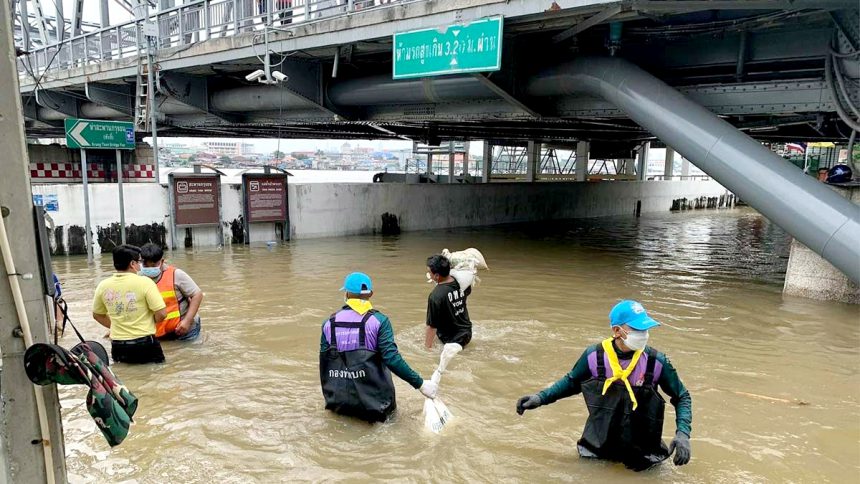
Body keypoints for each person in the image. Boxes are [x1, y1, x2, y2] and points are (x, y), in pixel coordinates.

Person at [516, 300, 692, 471]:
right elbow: (571, 382)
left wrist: (683, 433)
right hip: (596, 449)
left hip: (644, 454)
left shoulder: (656, 362)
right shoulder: (594, 356)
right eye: (638, 329)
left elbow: (682, 396)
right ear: (617, 330)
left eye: (645, 329)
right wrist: (540, 398)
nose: (644, 334)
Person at [320, 272, 437, 422]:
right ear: (371, 294)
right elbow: (392, 359)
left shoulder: (328, 323)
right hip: (375, 407)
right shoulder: (379, 321)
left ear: (347, 294)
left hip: (338, 404)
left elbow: (325, 362)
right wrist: (420, 384)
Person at [92, 245, 167, 364]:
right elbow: (162, 314)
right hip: (145, 343)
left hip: (118, 346)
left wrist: (117, 325)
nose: (140, 265)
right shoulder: (145, 282)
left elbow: (97, 315)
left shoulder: (103, 285)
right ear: (132, 263)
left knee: (125, 378)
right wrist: (149, 321)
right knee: (156, 377)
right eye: (139, 261)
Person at [139, 243, 203, 341]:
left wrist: (187, 321)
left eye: (154, 265)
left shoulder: (176, 274)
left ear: (162, 261)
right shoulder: (137, 277)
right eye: (146, 265)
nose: (150, 268)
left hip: (184, 330)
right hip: (156, 332)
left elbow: (197, 294)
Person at [424, 254, 472, 349]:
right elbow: (467, 293)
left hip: (450, 340)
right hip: (467, 334)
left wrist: (426, 349)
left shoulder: (436, 296)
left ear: (437, 276)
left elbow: (432, 327)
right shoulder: (462, 283)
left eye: (430, 272)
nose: (429, 274)